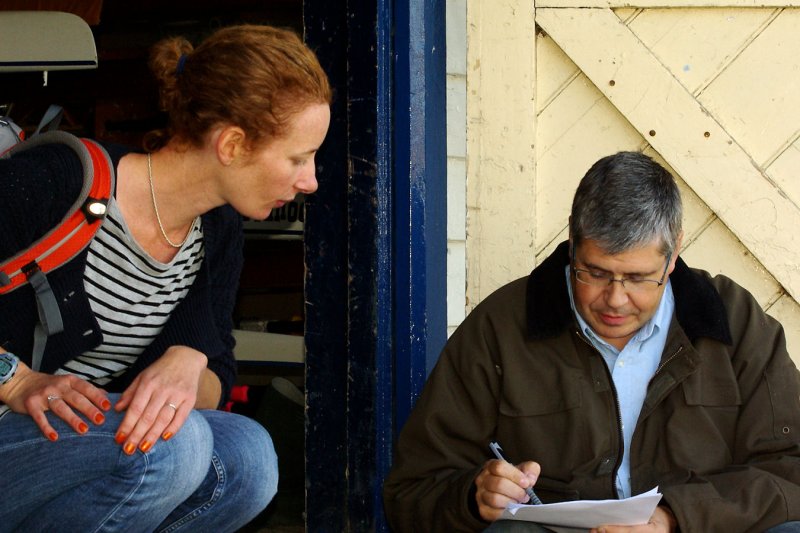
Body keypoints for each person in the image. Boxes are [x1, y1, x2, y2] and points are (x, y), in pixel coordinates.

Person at [0, 24, 331, 531]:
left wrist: (187, 360)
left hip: (68, 444)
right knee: (171, 450)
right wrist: (15, 378)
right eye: (298, 157)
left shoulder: (216, 229)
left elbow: (217, 376)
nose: (310, 179)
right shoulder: (60, 177)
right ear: (233, 144)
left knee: (250, 459)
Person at [383, 152, 800, 532]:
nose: (615, 300)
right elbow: (411, 492)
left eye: (638, 278)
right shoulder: (500, 327)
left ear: (673, 256)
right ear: (572, 247)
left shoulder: (733, 320)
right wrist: (474, 497)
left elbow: (790, 467)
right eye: (595, 273)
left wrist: (676, 516)